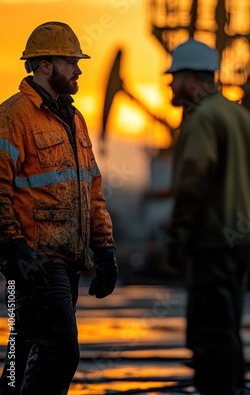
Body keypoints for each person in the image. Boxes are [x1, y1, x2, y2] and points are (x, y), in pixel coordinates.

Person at [0, 21, 118, 395]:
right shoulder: (12, 117)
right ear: (44, 65)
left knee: (24, 351)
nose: (78, 69)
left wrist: (105, 250)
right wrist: (12, 246)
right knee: (62, 349)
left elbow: (92, 188)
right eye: (70, 61)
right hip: (34, 260)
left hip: (67, 260)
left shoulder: (75, 119)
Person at [165, 38, 250, 395]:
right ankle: (233, 389)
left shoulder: (203, 118)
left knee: (209, 333)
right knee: (228, 328)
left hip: (211, 240)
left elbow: (193, 177)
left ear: (191, 80)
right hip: (241, 241)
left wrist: (178, 234)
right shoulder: (240, 116)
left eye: (174, 77)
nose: (170, 85)